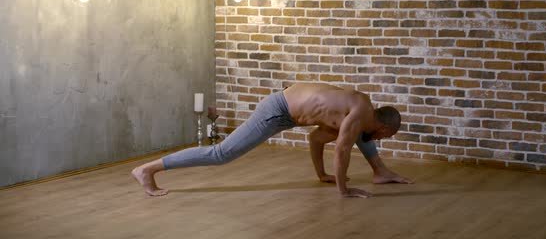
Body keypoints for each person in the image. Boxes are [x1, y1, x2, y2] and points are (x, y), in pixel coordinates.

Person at [132, 83, 413, 198]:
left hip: (289, 109)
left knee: (359, 134)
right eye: (388, 135)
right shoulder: (360, 115)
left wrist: (322, 175)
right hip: (276, 110)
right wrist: (344, 191)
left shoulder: (360, 110)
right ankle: (148, 169)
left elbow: (316, 140)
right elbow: (341, 151)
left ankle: (380, 172)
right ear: (386, 130)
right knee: (221, 153)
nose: (384, 138)